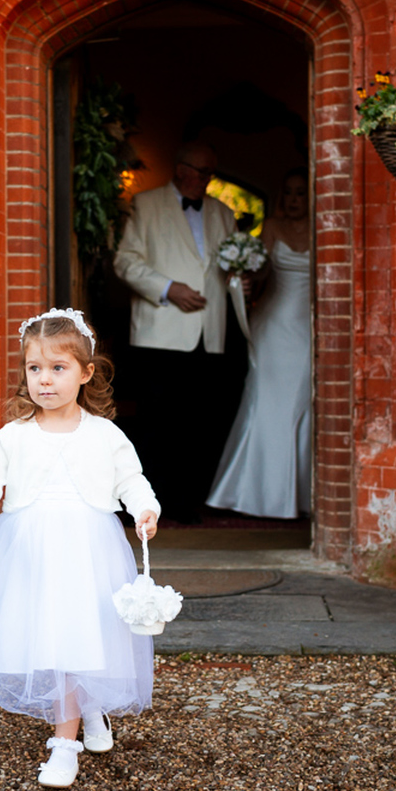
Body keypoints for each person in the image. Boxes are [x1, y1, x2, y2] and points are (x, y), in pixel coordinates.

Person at [0, 308, 161, 789]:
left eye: (58, 369)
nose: (45, 380)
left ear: (85, 373)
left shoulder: (105, 435)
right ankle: (85, 714)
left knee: (80, 634)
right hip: (33, 557)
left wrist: (146, 510)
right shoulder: (14, 436)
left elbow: (132, 481)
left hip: (87, 553)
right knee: (52, 639)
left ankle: (67, 743)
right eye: (35, 369)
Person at [112, 142, 239, 519]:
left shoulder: (223, 212)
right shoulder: (146, 204)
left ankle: (188, 503)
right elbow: (125, 262)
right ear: (181, 169)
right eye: (201, 173)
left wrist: (241, 284)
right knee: (158, 423)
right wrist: (169, 289)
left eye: (210, 174)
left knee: (201, 422)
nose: (205, 181)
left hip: (209, 332)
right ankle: (150, 503)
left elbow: (230, 268)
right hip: (160, 331)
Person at [206, 167, 313, 518]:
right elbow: (263, 270)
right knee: (265, 401)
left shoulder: (323, 227)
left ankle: (297, 496)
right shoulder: (270, 227)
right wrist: (246, 275)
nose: (295, 199)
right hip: (272, 325)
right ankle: (251, 493)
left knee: (300, 404)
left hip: (308, 329)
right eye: (290, 192)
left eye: (301, 192)